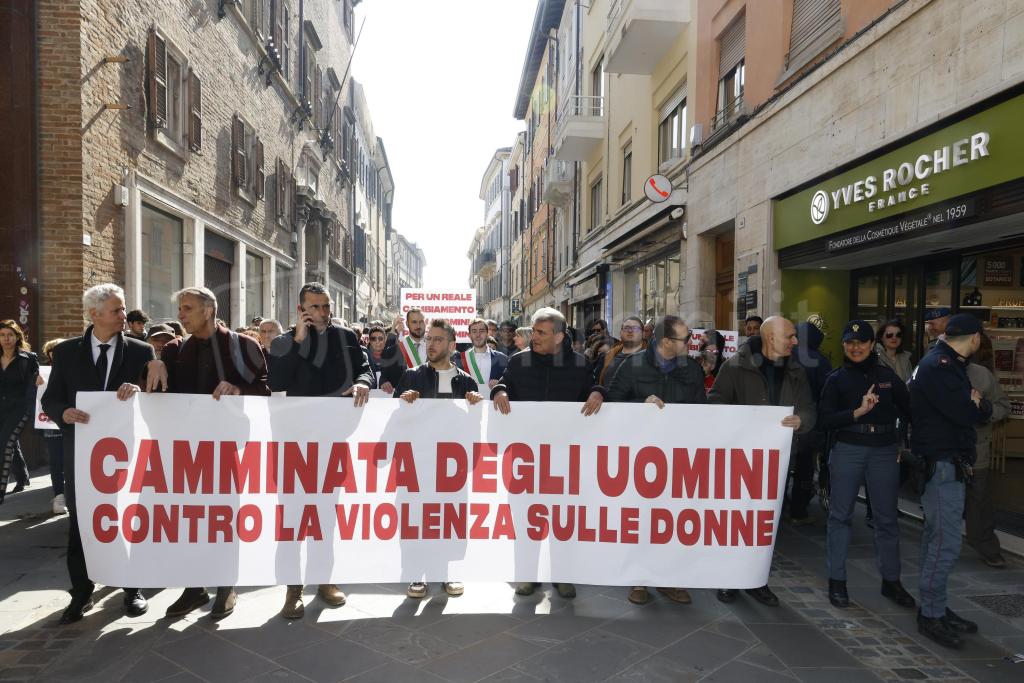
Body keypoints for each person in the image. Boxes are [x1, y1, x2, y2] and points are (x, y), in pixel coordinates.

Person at [41, 283, 157, 624]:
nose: (125, 315)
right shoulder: (66, 353)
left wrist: (140, 391)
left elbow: (157, 401)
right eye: (117, 310)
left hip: (127, 455)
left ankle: (132, 589)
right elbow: (51, 399)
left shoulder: (141, 352)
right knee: (81, 523)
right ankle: (80, 594)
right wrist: (63, 412)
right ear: (94, 314)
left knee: (129, 519)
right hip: (82, 454)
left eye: (123, 310)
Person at [158, 286, 271, 621]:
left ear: (208, 310)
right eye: (180, 308)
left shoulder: (243, 345)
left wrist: (239, 389)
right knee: (191, 519)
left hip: (229, 448)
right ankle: (194, 589)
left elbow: (265, 388)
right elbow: (159, 390)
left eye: (187, 308)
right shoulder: (175, 349)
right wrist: (152, 365)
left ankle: (226, 586)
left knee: (224, 517)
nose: (181, 315)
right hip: (187, 451)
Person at [268, 282, 371, 619]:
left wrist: (363, 383)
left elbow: (365, 369)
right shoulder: (284, 341)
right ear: (301, 310)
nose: (324, 312)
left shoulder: (345, 337)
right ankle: (292, 589)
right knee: (293, 519)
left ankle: (324, 580)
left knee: (325, 515)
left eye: (326, 306)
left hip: (331, 442)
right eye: (316, 307)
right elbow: (277, 382)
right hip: (294, 444)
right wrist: (298, 341)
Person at [492, 308, 604, 599]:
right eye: (533, 330)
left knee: (563, 521)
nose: (534, 337)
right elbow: (505, 383)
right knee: (526, 518)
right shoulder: (518, 361)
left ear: (559, 336)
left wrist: (598, 392)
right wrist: (500, 392)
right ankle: (527, 577)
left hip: (564, 458)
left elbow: (591, 389)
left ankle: (563, 576)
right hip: (526, 458)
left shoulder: (580, 363)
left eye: (540, 332)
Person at [708, 316, 815, 606]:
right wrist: (742, 421)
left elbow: (809, 409)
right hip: (739, 460)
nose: (795, 341)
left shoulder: (797, 371)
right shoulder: (735, 366)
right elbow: (715, 402)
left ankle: (758, 579)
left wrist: (801, 420)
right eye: (790, 336)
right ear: (771, 338)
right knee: (735, 521)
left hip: (776, 463)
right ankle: (729, 580)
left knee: (765, 525)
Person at [607, 315, 705, 606]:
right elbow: (612, 405)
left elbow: (702, 411)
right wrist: (641, 406)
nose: (690, 343)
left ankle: (670, 579)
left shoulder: (693, 371)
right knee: (642, 519)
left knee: (673, 519)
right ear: (666, 342)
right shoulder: (630, 366)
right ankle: (639, 580)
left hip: (679, 457)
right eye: (685, 339)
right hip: (641, 457)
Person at [816, 320, 914, 610]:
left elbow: (909, 409)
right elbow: (824, 421)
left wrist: (901, 443)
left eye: (861, 342)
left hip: (883, 452)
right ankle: (837, 581)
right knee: (840, 517)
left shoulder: (887, 377)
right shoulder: (836, 379)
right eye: (849, 343)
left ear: (873, 345)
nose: (855, 347)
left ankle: (892, 581)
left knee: (886, 519)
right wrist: (856, 413)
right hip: (848, 449)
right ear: (844, 346)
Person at [909, 313, 991, 648]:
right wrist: (976, 404)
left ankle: (936, 606)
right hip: (942, 464)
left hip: (944, 463)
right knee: (945, 544)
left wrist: (976, 404)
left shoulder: (939, 362)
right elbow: (968, 412)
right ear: (974, 338)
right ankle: (930, 614)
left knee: (937, 539)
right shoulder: (940, 366)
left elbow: (974, 407)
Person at [394, 318, 483, 598]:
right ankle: (415, 575)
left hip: (450, 467)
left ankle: (444, 573)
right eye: (429, 339)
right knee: (415, 518)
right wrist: (402, 403)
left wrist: (475, 408)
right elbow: (392, 422)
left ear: (452, 345)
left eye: (438, 339)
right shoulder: (412, 375)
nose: (430, 344)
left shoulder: (465, 381)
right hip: (417, 463)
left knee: (447, 517)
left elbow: (472, 428)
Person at [964, 334, 1010, 568]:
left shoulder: (981, 375)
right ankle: (940, 548)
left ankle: (986, 546)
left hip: (975, 450)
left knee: (979, 500)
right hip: (941, 450)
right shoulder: (931, 370)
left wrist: (984, 410)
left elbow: (1003, 406)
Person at [790, 321, 832, 524]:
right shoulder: (820, 360)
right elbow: (826, 392)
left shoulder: (786, 354)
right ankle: (798, 509)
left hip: (784, 416)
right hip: (809, 419)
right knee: (804, 465)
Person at [0, 321, 38, 500]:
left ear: (17, 337)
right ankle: (22, 477)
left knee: (5, 443)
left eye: (10, 335)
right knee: (10, 443)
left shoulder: (28, 358)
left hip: (20, 407)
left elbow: (39, 378)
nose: (6, 339)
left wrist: (39, 380)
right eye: (2, 335)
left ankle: (1, 488)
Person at [40, 338, 67, 514]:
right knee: (56, 461)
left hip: (72, 424)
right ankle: (59, 495)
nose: (55, 353)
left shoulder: (74, 370)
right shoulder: (41, 373)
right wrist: (35, 385)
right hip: (51, 425)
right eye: (52, 350)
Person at [455, 319, 508, 390]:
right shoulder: (459, 359)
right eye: (474, 331)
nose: (478, 335)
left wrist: (501, 383)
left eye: (481, 331)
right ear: (469, 335)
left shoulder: (502, 358)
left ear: (487, 333)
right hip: (468, 401)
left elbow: (512, 384)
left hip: (493, 400)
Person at [596, 317, 647, 386]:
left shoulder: (650, 358)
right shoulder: (608, 356)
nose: (630, 331)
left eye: (635, 328)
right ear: (621, 333)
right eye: (626, 328)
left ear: (643, 334)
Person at [365, 324, 405, 393]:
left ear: (385, 339)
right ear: (369, 340)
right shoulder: (364, 357)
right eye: (373, 339)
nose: (377, 341)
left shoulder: (393, 357)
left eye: (380, 338)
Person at [697, 329, 725, 394]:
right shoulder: (696, 363)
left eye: (703, 341)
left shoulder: (722, 373)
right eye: (700, 340)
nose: (699, 343)